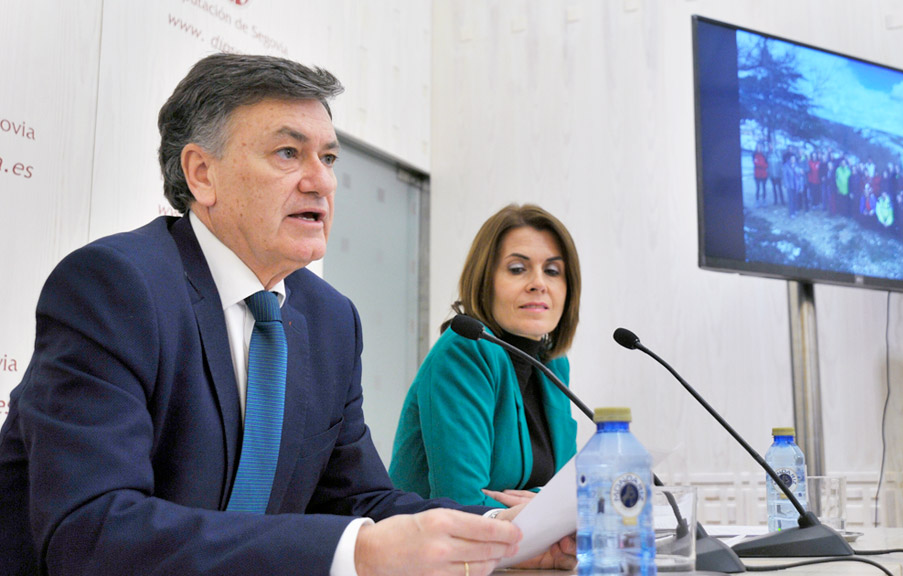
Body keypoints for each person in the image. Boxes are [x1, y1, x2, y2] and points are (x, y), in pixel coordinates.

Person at [0, 54, 574, 576]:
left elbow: (360, 500)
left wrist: (502, 538)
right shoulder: (114, 288)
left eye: (327, 157)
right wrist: (357, 552)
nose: (322, 180)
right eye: (287, 153)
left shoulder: (330, 320)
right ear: (201, 174)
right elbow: (93, 531)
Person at [390, 204, 581, 508]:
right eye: (517, 269)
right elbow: (462, 504)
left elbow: (571, 490)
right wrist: (550, 504)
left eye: (553, 271)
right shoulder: (465, 351)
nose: (539, 284)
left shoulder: (553, 363)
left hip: (520, 551)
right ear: (485, 280)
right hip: (430, 551)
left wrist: (541, 502)